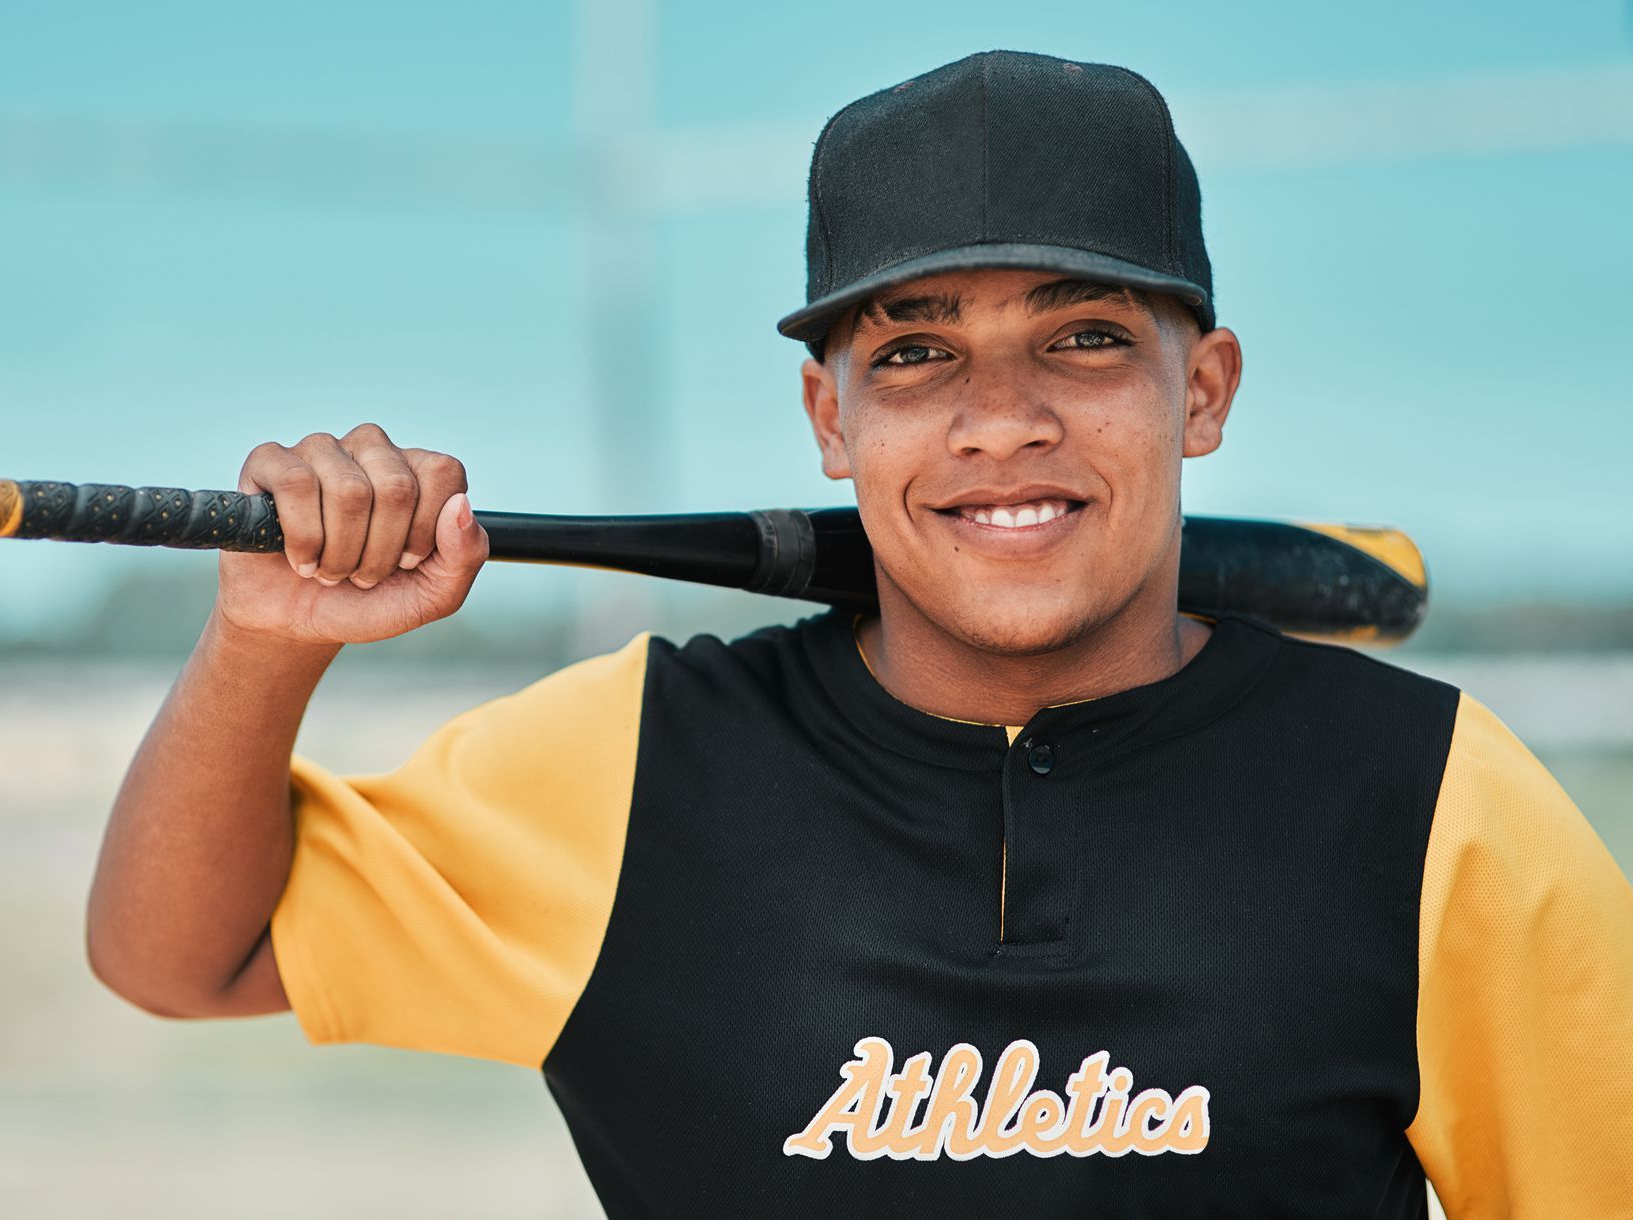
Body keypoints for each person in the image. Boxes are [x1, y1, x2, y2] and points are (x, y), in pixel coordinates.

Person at [85, 49, 1633, 1218]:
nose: (1001, 422)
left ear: (1206, 388)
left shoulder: (1433, 803)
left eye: (1085, 338)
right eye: (916, 354)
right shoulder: (629, 766)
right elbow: (182, 959)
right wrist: (266, 645)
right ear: (830, 415)